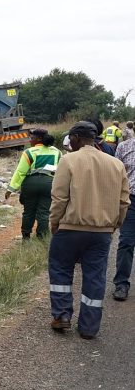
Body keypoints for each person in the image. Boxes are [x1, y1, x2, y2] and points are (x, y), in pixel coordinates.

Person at [48, 121, 129, 339]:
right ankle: (89, 327)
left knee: (60, 270)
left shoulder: (68, 160)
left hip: (70, 229)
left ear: (75, 138)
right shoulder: (116, 164)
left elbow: (59, 197)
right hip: (102, 233)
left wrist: (54, 222)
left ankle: (62, 316)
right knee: (95, 277)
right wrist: (114, 225)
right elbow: (124, 202)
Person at [5, 128, 62, 240]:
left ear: (39, 139)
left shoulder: (29, 152)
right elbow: (60, 170)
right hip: (48, 183)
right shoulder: (57, 152)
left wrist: (10, 189)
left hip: (30, 183)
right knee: (44, 212)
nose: (30, 141)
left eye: (32, 138)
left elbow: (20, 172)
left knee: (28, 211)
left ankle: (26, 237)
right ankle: (42, 237)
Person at [112, 131, 135, 301]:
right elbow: (116, 175)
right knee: (126, 242)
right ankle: (121, 284)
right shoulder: (123, 147)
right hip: (130, 201)